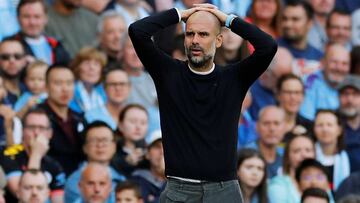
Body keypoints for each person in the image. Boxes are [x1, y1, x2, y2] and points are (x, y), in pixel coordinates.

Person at [128, 3, 277, 202]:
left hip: (224, 190)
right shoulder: (168, 73)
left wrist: (228, 20)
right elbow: (137, 31)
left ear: (219, 40)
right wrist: (180, 14)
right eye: (190, 34)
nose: (195, 41)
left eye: (204, 34)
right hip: (178, 190)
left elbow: (268, 46)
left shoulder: (234, 78)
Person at [0, 108, 65, 203]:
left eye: (42, 128)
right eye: (31, 127)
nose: (36, 133)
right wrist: (36, 155)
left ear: (50, 133)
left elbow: (58, 201)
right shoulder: (9, 155)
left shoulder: (54, 165)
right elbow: (21, 194)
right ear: (22, 131)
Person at [38, 65, 86, 175]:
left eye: (69, 83)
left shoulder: (79, 118)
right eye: (58, 83)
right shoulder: (37, 117)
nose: (65, 89)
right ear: (46, 87)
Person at [65, 121, 126, 203]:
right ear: (84, 147)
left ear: (114, 146)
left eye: (105, 140)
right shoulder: (75, 180)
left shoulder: (121, 178)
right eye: (94, 140)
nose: (100, 145)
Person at [7, 0, 70, 65]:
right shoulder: (7, 46)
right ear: (17, 19)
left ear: (45, 19)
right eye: (26, 16)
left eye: (37, 17)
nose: (32, 22)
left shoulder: (57, 45)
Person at [300, 43, 350, 120]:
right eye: (334, 62)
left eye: (344, 63)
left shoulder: (352, 85)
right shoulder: (310, 81)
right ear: (323, 62)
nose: (339, 68)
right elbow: (307, 119)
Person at [278, 0, 323, 77]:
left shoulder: (319, 56)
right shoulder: (271, 50)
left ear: (309, 23)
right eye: (285, 19)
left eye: (295, 19)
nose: (288, 24)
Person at [268, 132, 315, 203]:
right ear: (287, 157)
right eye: (297, 151)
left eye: (308, 150)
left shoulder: (322, 183)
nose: (304, 155)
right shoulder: (277, 185)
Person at [313, 109, 351, 191]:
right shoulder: (308, 155)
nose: (325, 129)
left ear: (339, 130)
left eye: (329, 125)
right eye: (320, 125)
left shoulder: (348, 157)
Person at [247, 106, 286, 178]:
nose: (272, 129)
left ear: (284, 127)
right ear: (257, 127)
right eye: (266, 123)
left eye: (276, 123)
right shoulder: (244, 155)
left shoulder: (287, 155)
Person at [112, 104, 148, 177]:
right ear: (120, 125)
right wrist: (126, 163)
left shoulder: (151, 153)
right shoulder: (111, 151)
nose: (138, 127)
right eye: (133, 121)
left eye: (143, 123)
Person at [69, 47, 107, 113]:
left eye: (96, 64)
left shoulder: (104, 93)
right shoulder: (69, 91)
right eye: (86, 63)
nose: (92, 68)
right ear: (77, 68)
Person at [132, 130, 165, 203]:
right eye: (157, 147)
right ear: (147, 154)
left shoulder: (181, 179)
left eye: (166, 146)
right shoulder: (137, 179)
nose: (162, 152)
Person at [337, 75, 360, 172]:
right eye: (345, 94)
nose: (350, 100)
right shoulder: (331, 123)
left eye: (355, 94)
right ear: (338, 97)